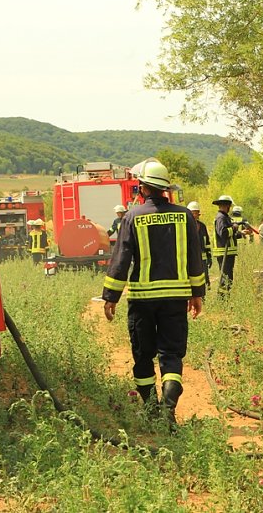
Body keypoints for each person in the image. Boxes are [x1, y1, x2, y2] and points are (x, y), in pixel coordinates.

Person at [102, 160, 205, 423]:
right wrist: (197, 293)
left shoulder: (132, 216)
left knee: (143, 354)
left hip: (142, 301)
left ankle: (150, 410)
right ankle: (168, 410)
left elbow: (121, 258)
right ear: (165, 189)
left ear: (143, 187)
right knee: (171, 355)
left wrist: (111, 296)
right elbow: (195, 258)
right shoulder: (184, 216)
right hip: (175, 299)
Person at [213, 195, 247, 295]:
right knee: (225, 277)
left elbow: (230, 236)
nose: (230, 208)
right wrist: (234, 228)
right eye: (229, 206)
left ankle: (226, 298)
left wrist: (241, 233)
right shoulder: (221, 217)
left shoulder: (225, 217)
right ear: (226, 205)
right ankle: (222, 299)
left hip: (228, 252)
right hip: (224, 252)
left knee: (228, 277)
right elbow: (223, 233)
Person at [187, 201, 212, 291]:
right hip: (191, 258)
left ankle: (204, 294)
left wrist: (209, 256)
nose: (194, 215)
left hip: (203, 257)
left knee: (204, 277)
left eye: (196, 213)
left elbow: (207, 242)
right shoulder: (185, 226)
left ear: (198, 214)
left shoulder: (202, 226)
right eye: (192, 213)